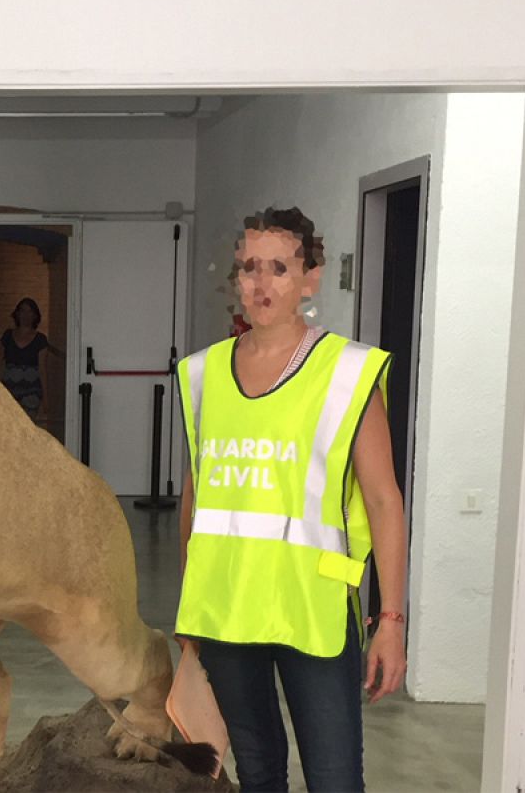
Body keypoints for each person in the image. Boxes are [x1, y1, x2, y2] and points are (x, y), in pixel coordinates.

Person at [172, 207, 409, 792]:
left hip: (314, 610)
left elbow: (383, 501)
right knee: (257, 774)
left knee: (333, 780)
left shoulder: (346, 372)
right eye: (249, 267)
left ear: (312, 277)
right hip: (227, 614)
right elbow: (195, 502)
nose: (261, 283)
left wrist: (392, 621)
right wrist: (190, 612)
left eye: (279, 268)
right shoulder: (202, 375)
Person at [0, 297, 62, 420]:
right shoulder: (7, 336)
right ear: (17, 314)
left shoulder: (40, 340)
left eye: (29, 312)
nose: (25, 315)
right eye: (22, 311)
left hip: (31, 391)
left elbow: (42, 370)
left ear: (35, 316)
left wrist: (45, 398)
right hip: (9, 390)